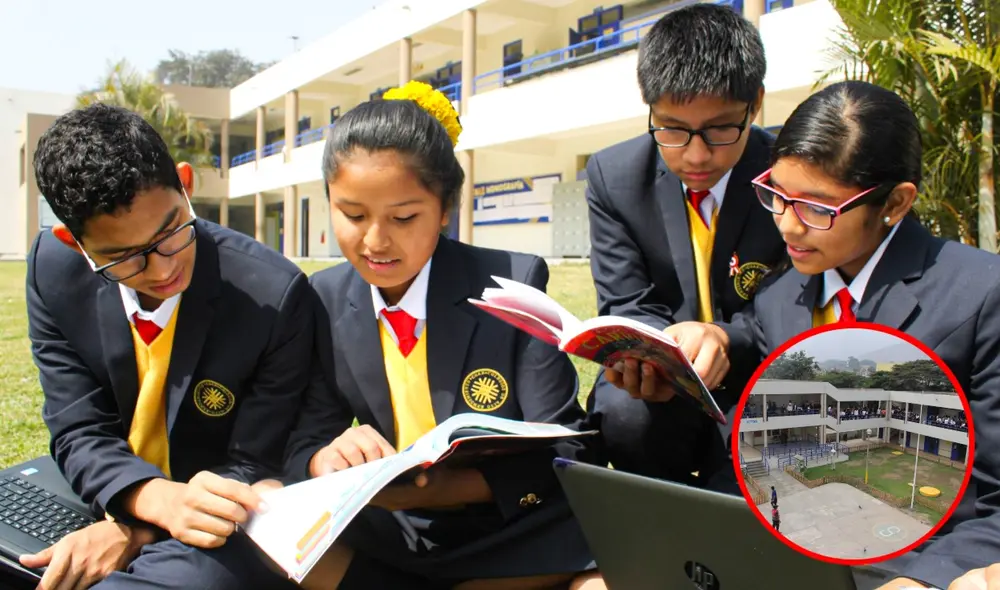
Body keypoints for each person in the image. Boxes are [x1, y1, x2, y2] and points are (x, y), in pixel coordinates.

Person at [665, 80, 1000, 590]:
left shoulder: (980, 296)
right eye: (777, 195)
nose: (787, 226)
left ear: (896, 202)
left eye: (817, 208)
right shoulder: (781, 297)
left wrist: (926, 580)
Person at [271, 82, 597, 589]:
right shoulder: (323, 297)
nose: (375, 241)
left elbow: (567, 452)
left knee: (602, 562)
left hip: (504, 523)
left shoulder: (512, 284)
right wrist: (326, 457)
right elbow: (303, 439)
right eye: (353, 215)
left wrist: (442, 489)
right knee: (266, 528)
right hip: (391, 527)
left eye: (403, 218)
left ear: (445, 209)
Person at [22, 104, 312, 589]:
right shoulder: (53, 271)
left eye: (170, 232)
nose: (162, 270)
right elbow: (77, 427)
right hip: (101, 492)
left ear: (185, 184)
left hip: (221, 516)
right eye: (123, 257)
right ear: (74, 243)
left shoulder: (273, 295)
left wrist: (141, 530)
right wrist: (146, 503)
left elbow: (257, 461)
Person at [583, 2, 785, 493]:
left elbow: (794, 303)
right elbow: (627, 302)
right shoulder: (614, 177)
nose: (696, 155)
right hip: (664, 379)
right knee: (623, 413)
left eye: (720, 129)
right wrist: (653, 358)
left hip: (760, 371)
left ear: (755, 103)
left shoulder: (788, 175)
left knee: (756, 452)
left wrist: (724, 338)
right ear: (649, 107)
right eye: (672, 128)